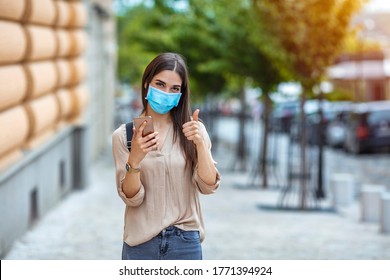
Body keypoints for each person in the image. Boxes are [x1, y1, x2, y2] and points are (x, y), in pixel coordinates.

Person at [112, 52, 221, 260]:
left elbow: (207, 186)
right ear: (147, 85)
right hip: (141, 244)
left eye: (174, 88)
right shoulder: (124, 136)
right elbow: (131, 198)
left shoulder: (193, 131)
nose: (166, 92)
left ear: (181, 93)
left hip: (185, 243)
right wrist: (134, 160)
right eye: (160, 84)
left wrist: (201, 145)